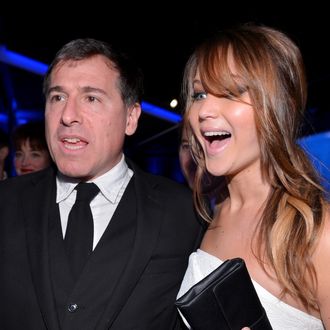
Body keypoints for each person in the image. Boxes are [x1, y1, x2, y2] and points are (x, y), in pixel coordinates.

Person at [0, 38, 202, 330]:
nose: (68, 116)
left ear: (131, 118)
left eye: (91, 98)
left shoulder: (183, 214)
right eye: (58, 97)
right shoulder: (5, 202)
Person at [176, 24, 330, 329]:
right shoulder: (203, 218)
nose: (204, 108)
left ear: (277, 106)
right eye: (199, 93)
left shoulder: (316, 233)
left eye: (231, 93)